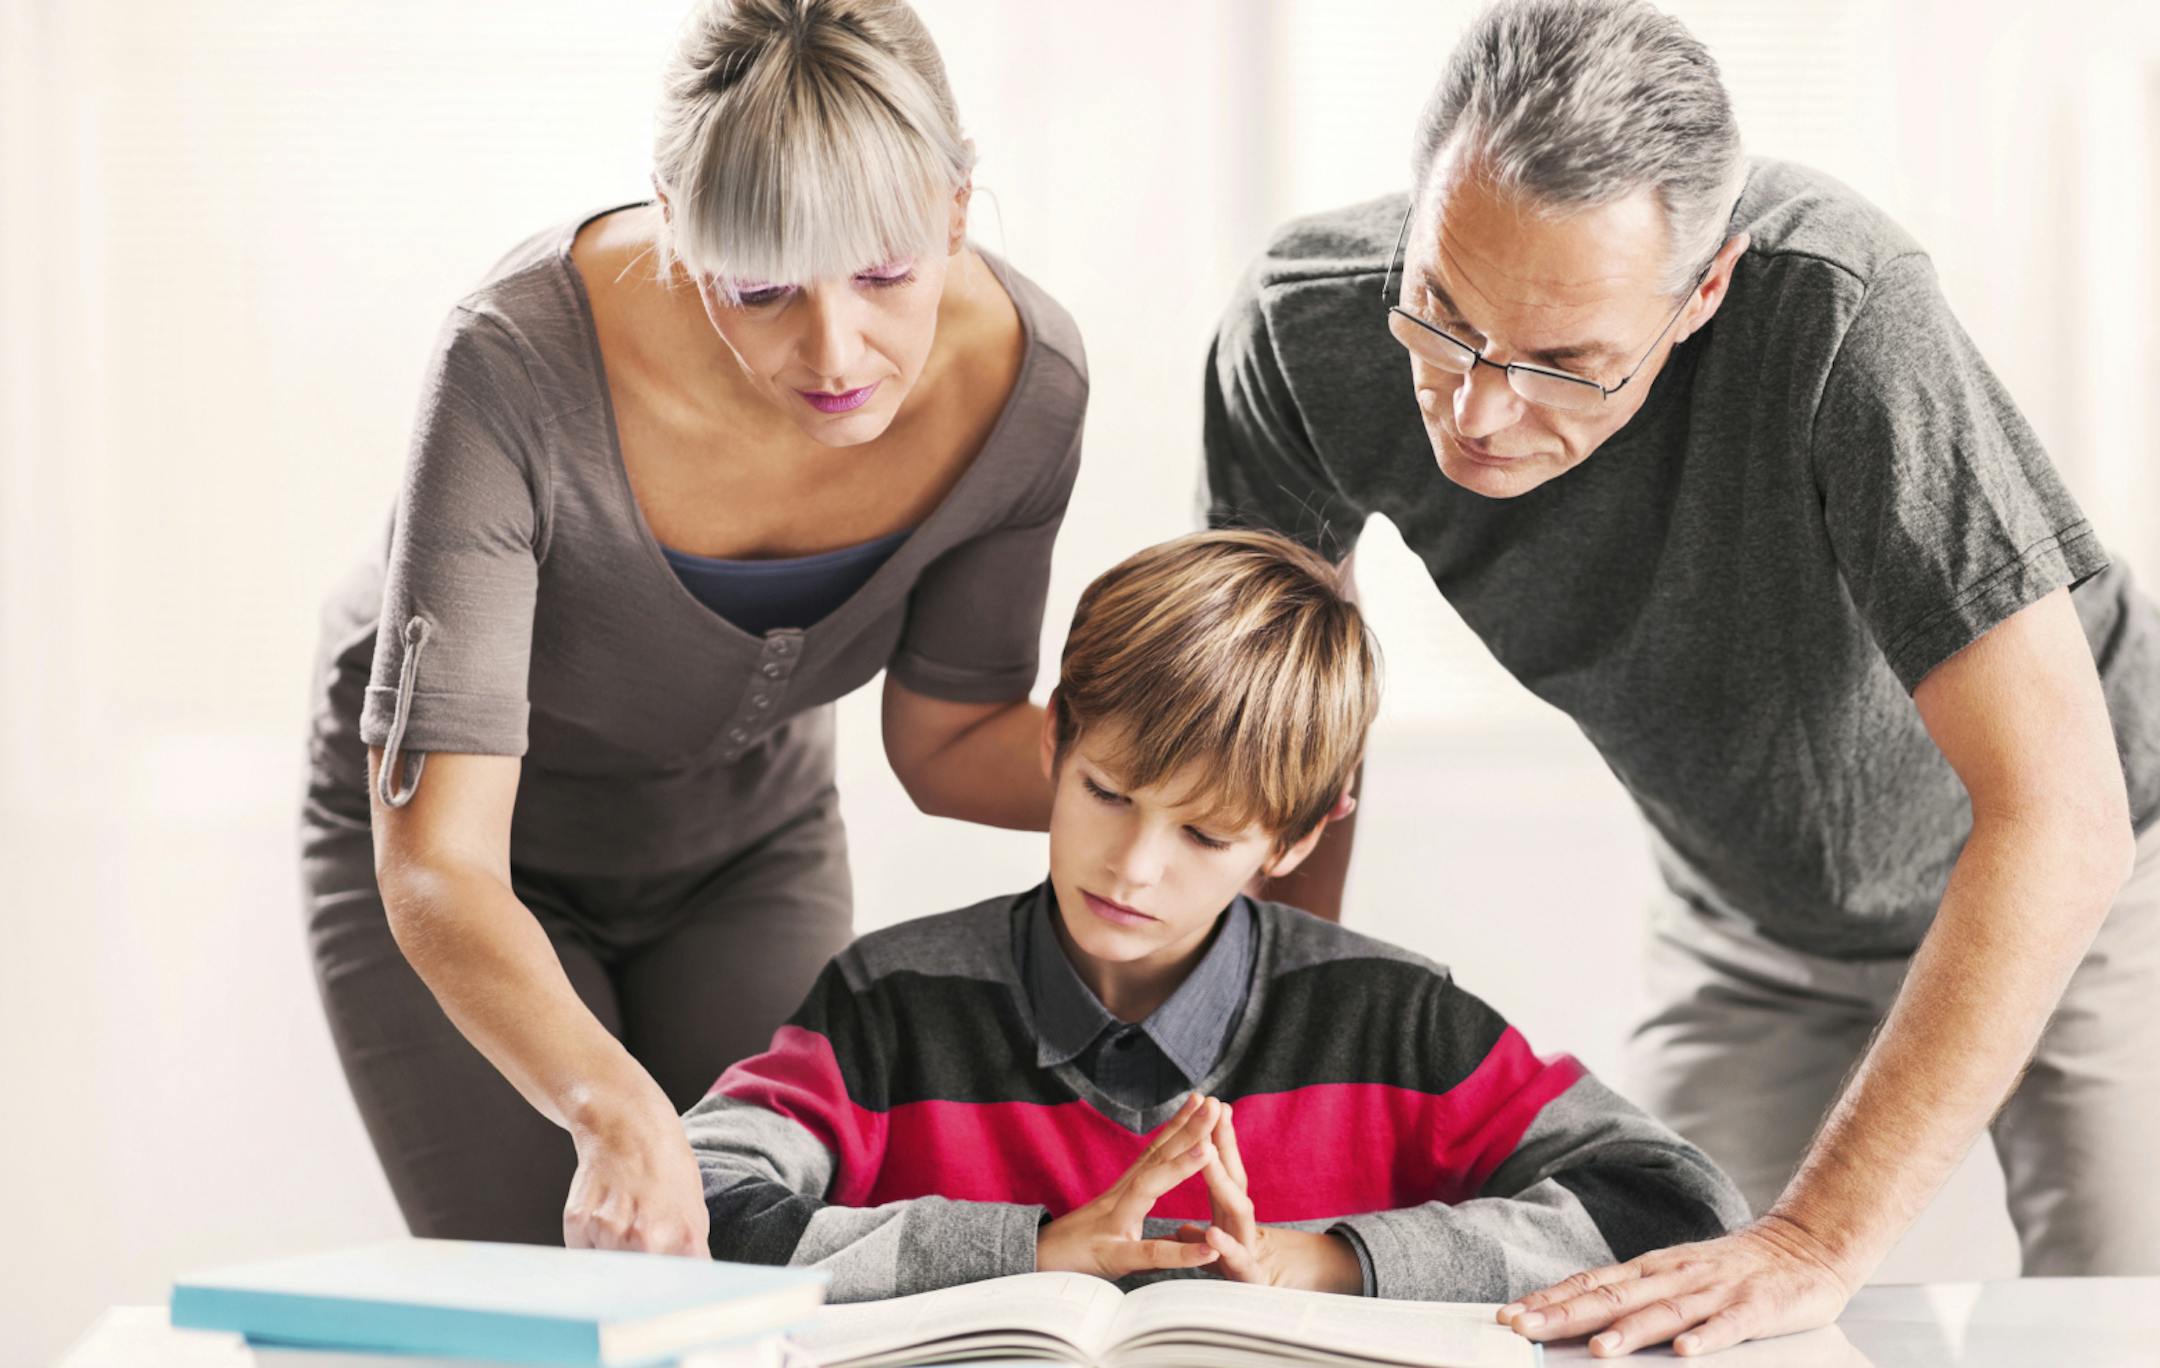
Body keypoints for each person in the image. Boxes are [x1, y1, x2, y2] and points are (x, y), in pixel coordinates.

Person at [1203, 0, 2160, 1354]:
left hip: (2101, 878)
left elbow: (2061, 823)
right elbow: (1282, 745)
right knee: (1640, 1315)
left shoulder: (1843, 312)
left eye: (1565, 364)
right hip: (1753, 917)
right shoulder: (1304, 331)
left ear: (1702, 292)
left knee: (2119, 1315)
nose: (1477, 411)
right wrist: (1277, 1088)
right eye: (1443, 315)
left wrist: (1817, 1239)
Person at [300, 0, 1086, 1257]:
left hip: (746, 839)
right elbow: (442, 858)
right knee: (545, 1299)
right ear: (676, 220)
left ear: (955, 208)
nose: (838, 351)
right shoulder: (510, 363)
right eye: (761, 286)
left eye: (886, 274)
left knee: (783, 1267)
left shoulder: (1026, 388)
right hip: (464, 864)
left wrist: (1181, 781)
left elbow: (950, 743)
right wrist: (610, 1108)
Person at [680, 530, 1747, 1301]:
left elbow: (1678, 1204)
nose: (1135, 868)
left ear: (1294, 840)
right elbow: (696, 1206)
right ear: (1056, 743)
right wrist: (1036, 1251)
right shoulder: (888, 1005)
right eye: (1107, 794)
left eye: (1206, 835)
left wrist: (1324, 1260)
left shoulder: (1398, 1021)